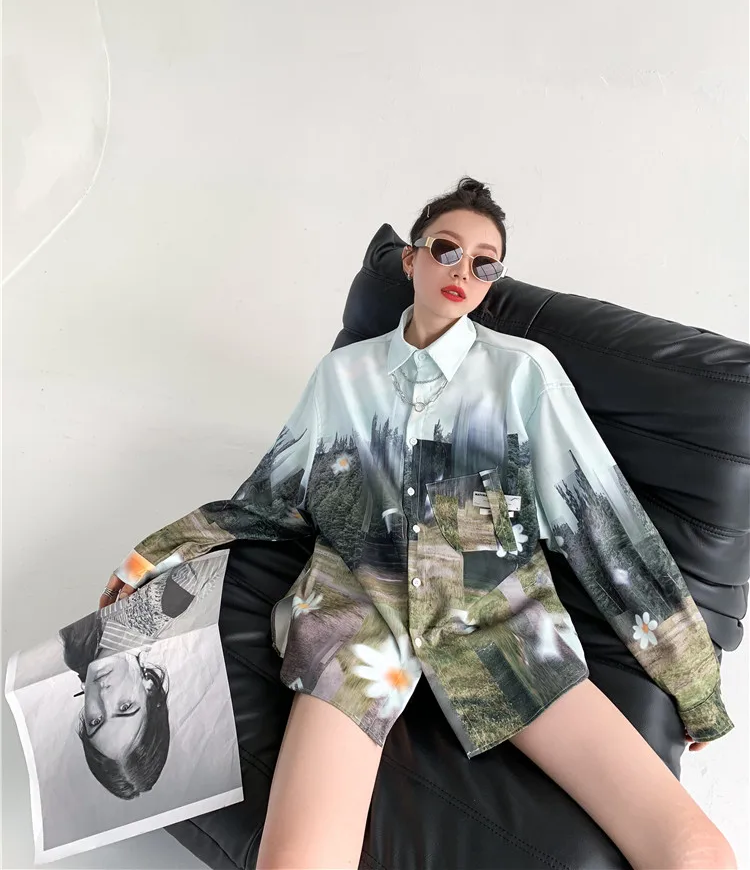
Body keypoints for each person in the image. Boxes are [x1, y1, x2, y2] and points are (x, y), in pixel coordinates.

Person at [100, 177, 737, 868]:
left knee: (691, 849)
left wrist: (694, 684)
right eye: (447, 249)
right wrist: (156, 553)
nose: (464, 270)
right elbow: (273, 495)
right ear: (411, 259)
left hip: (497, 621)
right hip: (355, 619)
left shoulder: (523, 374)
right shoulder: (343, 377)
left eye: (485, 263)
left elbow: (601, 525)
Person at [62, 559, 213, 799]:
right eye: (124, 707)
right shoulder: (169, 602)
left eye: (96, 720)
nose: (104, 696)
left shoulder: (74, 652)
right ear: (149, 687)